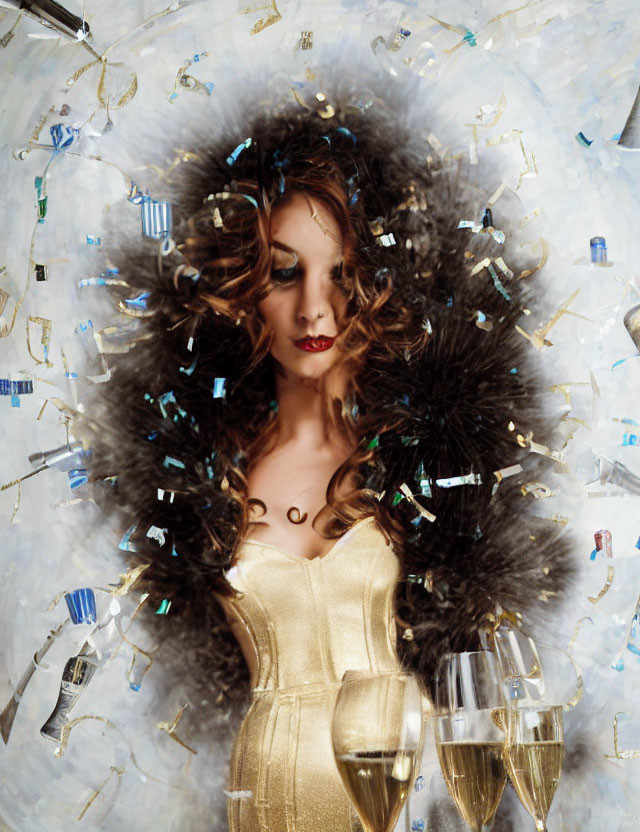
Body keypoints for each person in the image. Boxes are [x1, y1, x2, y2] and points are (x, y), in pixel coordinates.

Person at [91, 102, 574, 830]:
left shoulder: (421, 457)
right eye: (285, 274)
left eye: (340, 275)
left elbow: (479, 648)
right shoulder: (202, 467)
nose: (316, 309)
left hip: (411, 790)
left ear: (372, 284)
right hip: (271, 797)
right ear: (247, 287)